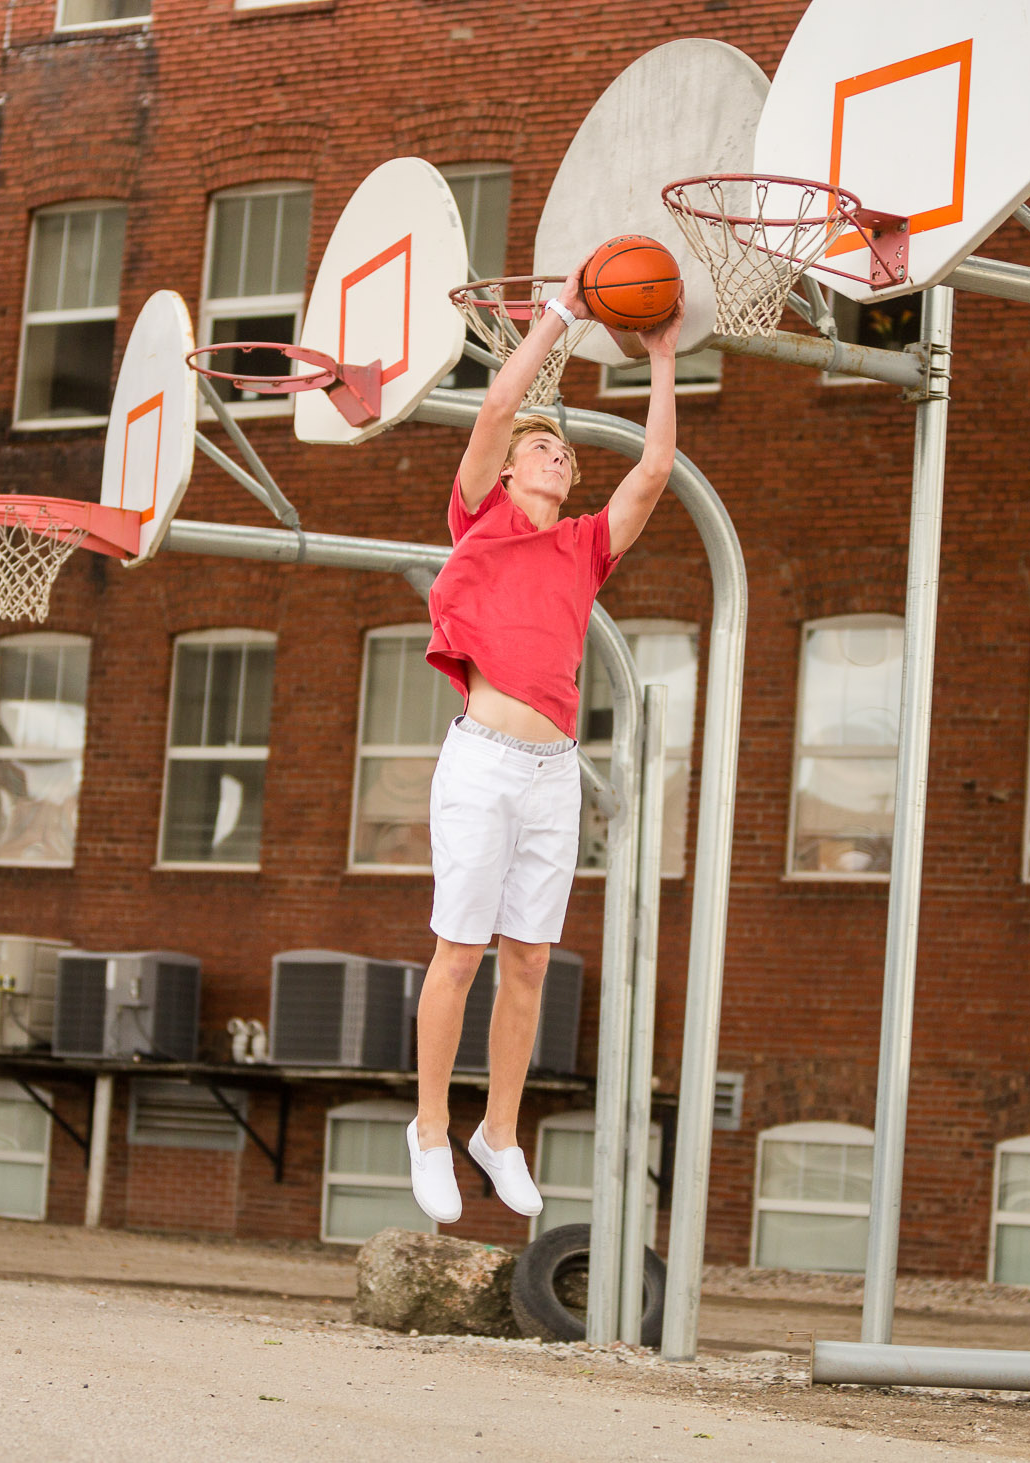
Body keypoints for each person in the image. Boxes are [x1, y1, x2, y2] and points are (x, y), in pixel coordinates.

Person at [407, 271, 684, 1223]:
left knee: (528, 961)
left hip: (553, 772)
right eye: (541, 446)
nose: (555, 456)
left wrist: (661, 358)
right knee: (460, 952)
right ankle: (432, 1129)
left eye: (563, 451)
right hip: (482, 758)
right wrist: (562, 311)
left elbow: (651, 473)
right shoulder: (478, 517)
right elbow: (496, 404)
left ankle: (499, 1132)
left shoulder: (584, 548)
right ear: (511, 467)